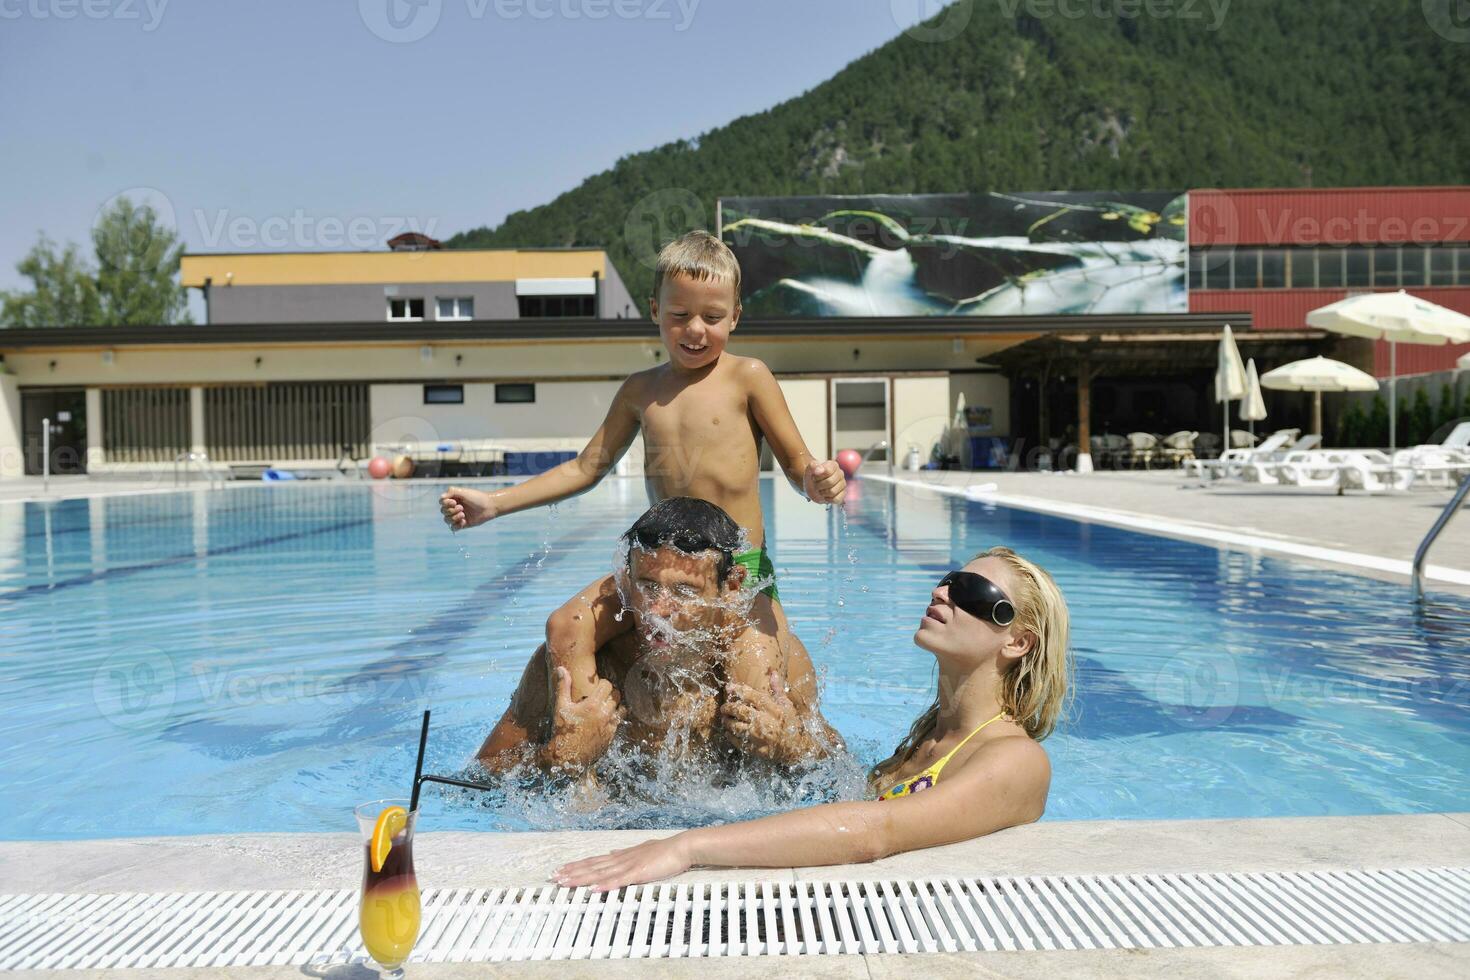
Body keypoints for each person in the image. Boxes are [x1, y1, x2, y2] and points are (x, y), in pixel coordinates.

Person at [440, 230, 845, 711]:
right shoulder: (639, 391)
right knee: (566, 625)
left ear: (735, 316)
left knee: (756, 672)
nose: (695, 330)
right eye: (679, 315)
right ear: (654, 310)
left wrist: (818, 482)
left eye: (712, 318)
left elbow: (798, 465)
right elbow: (586, 468)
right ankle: (587, 735)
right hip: (658, 567)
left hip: (739, 570)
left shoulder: (748, 377)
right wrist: (494, 504)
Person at [552, 547, 1070, 889]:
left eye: (972, 593)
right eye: (948, 581)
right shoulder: (932, 738)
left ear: (1018, 641)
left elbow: (874, 830)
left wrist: (687, 847)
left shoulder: (1015, 760)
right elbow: (850, 794)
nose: (942, 593)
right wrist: (796, 743)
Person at [476, 497, 840, 775]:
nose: (658, 610)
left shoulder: (773, 663)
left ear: (730, 589)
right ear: (625, 581)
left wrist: (792, 744)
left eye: (684, 591)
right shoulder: (586, 665)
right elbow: (484, 770)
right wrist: (555, 757)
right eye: (647, 586)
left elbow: (838, 763)